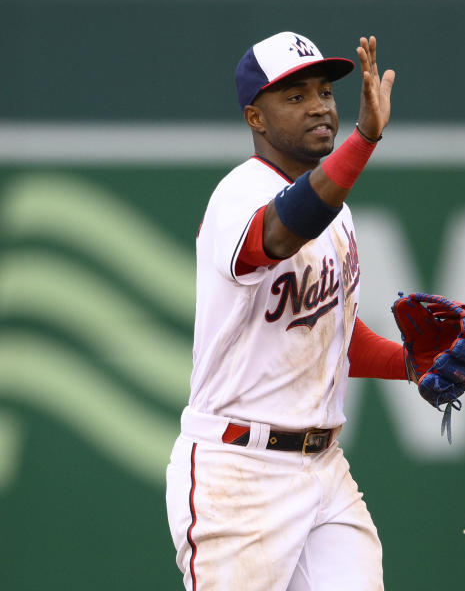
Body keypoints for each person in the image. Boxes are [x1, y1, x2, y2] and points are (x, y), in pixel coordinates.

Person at [164, 30, 410, 590]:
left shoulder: (336, 212)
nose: (321, 106)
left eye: (324, 91)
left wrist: (414, 363)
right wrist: (365, 139)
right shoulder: (239, 193)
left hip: (324, 468)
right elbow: (276, 234)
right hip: (239, 472)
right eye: (295, 97)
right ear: (256, 117)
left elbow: (337, 338)